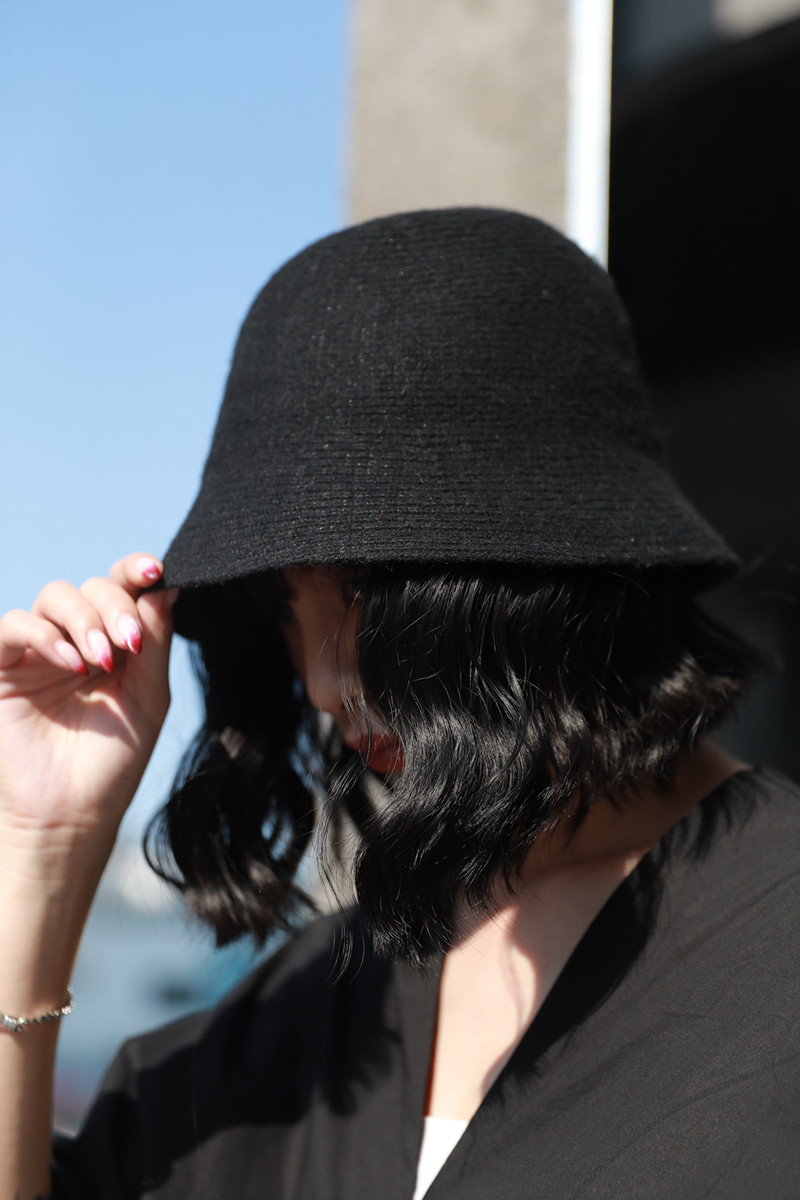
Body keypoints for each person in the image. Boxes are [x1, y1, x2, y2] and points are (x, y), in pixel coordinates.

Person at [1, 208, 798, 1200]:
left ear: (546, 576)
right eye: (282, 610)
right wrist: (40, 846)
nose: (320, 682)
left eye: (368, 594)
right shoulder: (297, 1027)